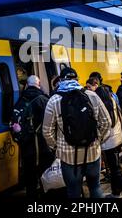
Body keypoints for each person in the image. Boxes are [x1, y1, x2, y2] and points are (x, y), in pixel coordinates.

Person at [43, 67, 111, 198]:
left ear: (61, 80)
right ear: (77, 79)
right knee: (95, 187)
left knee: (73, 192)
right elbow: (106, 122)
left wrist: (57, 147)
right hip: (91, 152)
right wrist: (98, 140)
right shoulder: (92, 95)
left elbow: (47, 131)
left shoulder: (54, 100)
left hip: (68, 157)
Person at [88, 78, 122, 198]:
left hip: (109, 140)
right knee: (114, 168)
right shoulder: (111, 99)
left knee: (116, 168)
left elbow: (105, 123)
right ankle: (116, 193)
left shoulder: (101, 103)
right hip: (116, 137)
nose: (88, 91)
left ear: (95, 86)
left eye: (89, 87)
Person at [11, 75, 53, 198]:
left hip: (28, 147)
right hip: (44, 147)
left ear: (27, 85)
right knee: (45, 176)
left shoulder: (20, 101)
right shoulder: (45, 100)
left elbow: (14, 124)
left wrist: (20, 139)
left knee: (30, 178)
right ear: (39, 84)